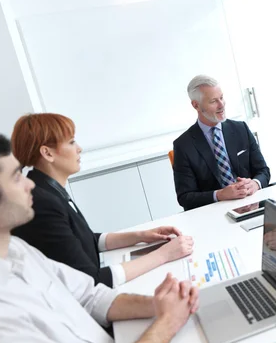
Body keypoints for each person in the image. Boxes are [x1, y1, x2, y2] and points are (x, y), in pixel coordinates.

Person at [0, 133, 200, 343]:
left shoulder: (16, 250)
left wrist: (156, 305)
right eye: (15, 177)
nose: (29, 185)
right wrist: (168, 321)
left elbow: (90, 295)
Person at [11, 113, 194, 287]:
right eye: (72, 142)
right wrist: (163, 255)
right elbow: (92, 281)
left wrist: (142, 236)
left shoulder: (47, 188)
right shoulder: (42, 203)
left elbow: (86, 240)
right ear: (47, 153)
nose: (79, 148)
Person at [173, 75, 271, 211]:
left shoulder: (240, 129)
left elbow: (263, 171)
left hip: (252, 204)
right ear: (196, 105)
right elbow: (185, 197)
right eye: (213, 101)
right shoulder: (183, 145)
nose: (221, 105)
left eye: (222, 97)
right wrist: (219, 195)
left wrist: (255, 184)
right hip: (216, 213)